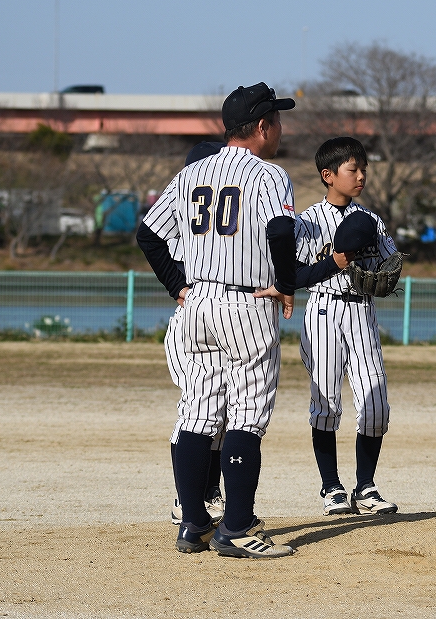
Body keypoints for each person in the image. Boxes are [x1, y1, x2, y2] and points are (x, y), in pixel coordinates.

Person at [137, 82, 300, 559]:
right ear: (263, 126)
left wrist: (177, 285)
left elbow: (149, 234)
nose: (280, 129)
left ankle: (193, 524)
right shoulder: (268, 173)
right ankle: (237, 528)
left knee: (197, 413)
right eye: (277, 121)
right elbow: (281, 231)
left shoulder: (192, 172)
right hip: (246, 302)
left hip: (196, 302)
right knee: (247, 416)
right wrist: (286, 283)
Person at [294, 136, 400, 516]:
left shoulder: (372, 220)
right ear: (328, 175)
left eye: (363, 169)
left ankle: (366, 486)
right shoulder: (307, 222)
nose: (361, 176)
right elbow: (295, 274)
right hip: (322, 310)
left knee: (376, 405)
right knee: (325, 403)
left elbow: (391, 264)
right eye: (353, 169)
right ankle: (331, 487)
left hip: (362, 311)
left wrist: (385, 274)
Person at [138, 140, 228, 527]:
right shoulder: (184, 221)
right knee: (198, 410)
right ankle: (186, 498)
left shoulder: (217, 226)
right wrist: (177, 286)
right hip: (190, 322)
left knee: (223, 414)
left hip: (220, 320)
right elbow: (148, 238)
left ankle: (208, 492)